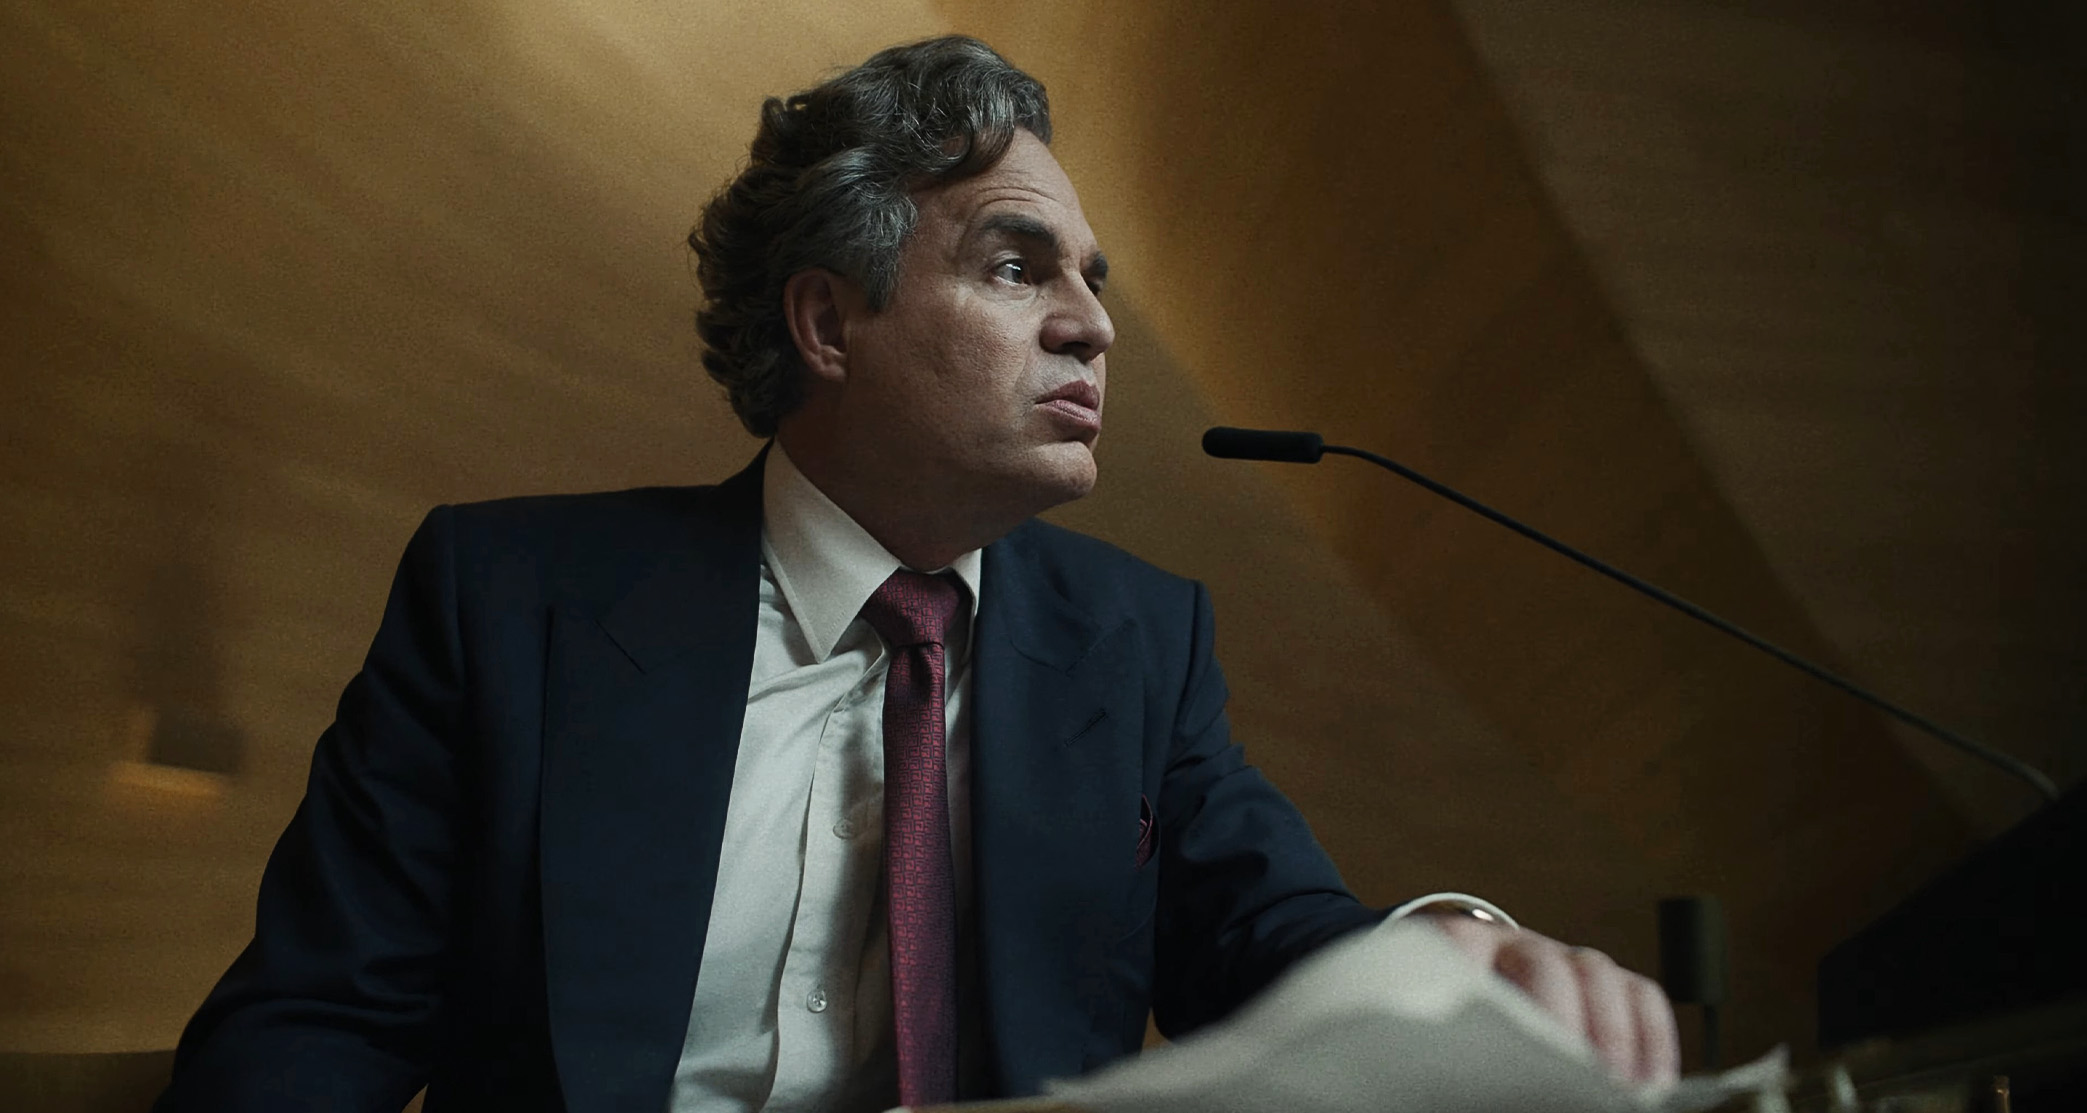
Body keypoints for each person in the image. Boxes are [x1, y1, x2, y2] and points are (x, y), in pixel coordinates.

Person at [155, 35, 1678, 1113]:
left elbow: (1278, 944)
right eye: (1019, 265)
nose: (1093, 324)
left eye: (1093, 281)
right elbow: (309, 1032)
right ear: (830, 323)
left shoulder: (1140, 642)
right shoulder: (506, 604)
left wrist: (1448, 955)